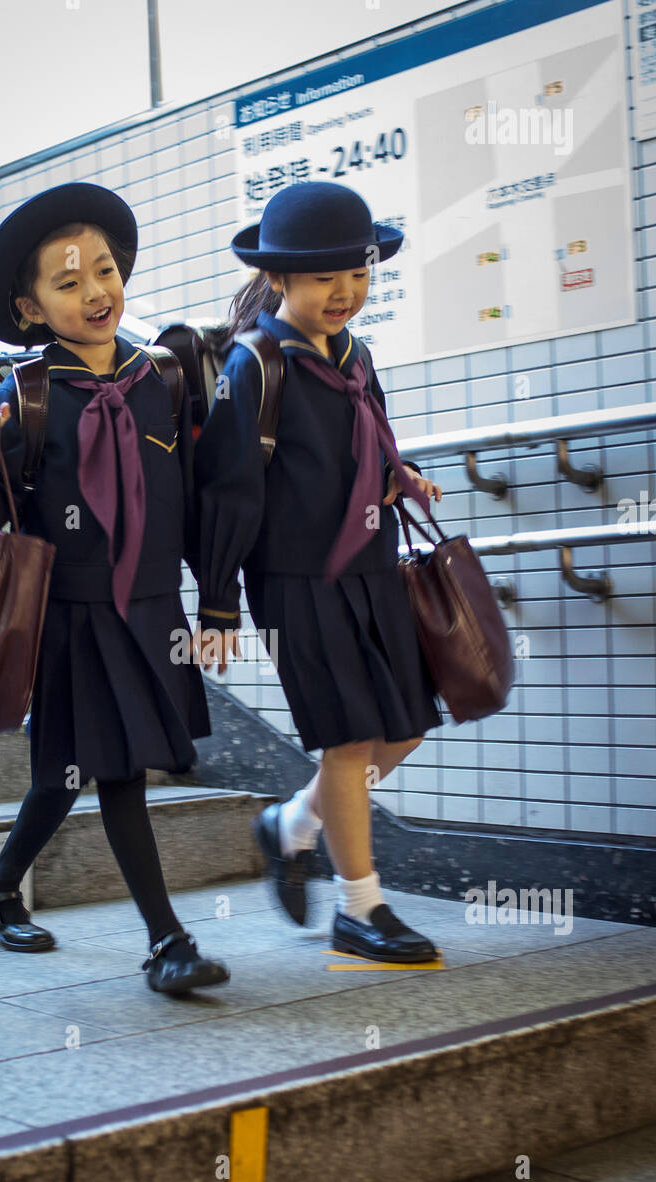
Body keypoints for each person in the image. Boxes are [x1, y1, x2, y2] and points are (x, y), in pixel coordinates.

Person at [0, 182, 229, 995]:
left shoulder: (164, 377)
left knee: (62, 774)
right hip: (70, 615)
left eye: (103, 271)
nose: (96, 292)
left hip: (148, 607)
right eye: (68, 284)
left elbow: (203, 496)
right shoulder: (23, 393)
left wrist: (216, 604)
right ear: (30, 308)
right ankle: (167, 943)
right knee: (120, 770)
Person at [192, 181, 445, 963]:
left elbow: (365, 439)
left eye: (359, 274)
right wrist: (218, 607)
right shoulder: (255, 365)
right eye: (325, 276)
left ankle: (293, 823)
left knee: (404, 725)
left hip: (371, 566)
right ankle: (361, 908)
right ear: (280, 279)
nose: (346, 292)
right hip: (296, 580)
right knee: (347, 738)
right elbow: (227, 492)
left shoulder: (355, 356)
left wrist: (400, 478)